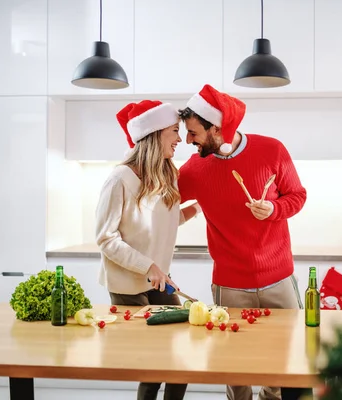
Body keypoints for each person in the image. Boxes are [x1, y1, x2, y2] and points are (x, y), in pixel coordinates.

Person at [177, 84, 310, 400]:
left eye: (194, 133)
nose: (187, 141)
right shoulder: (194, 169)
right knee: (234, 366)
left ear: (218, 129)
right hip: (230, 284)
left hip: (278, 278)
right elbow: (162, 202)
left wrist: (275, 209)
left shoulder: (272, 150)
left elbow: (298, 195)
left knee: (286, 360)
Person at [95, 99, 200, 400]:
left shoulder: (166, 174)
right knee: (153, 362)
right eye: (174, 131)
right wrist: (149, 266)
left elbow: (162, 225)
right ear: (154, 134)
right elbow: (106, 238)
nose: (181, 139)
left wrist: (199, 207)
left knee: (180, 352)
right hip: (128, 285)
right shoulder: (119, 180)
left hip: (158, 278)